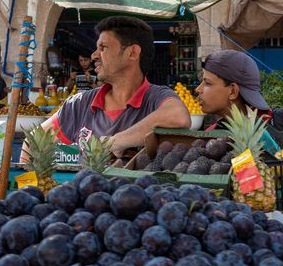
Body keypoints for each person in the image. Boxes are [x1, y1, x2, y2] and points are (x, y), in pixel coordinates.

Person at [20, 16, 190, 161]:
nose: (94, 55)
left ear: (132, 53)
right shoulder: (80, 104)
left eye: (103, 48)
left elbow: (178, 116)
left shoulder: (155, 97)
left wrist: (114, 142)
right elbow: (32, 142)